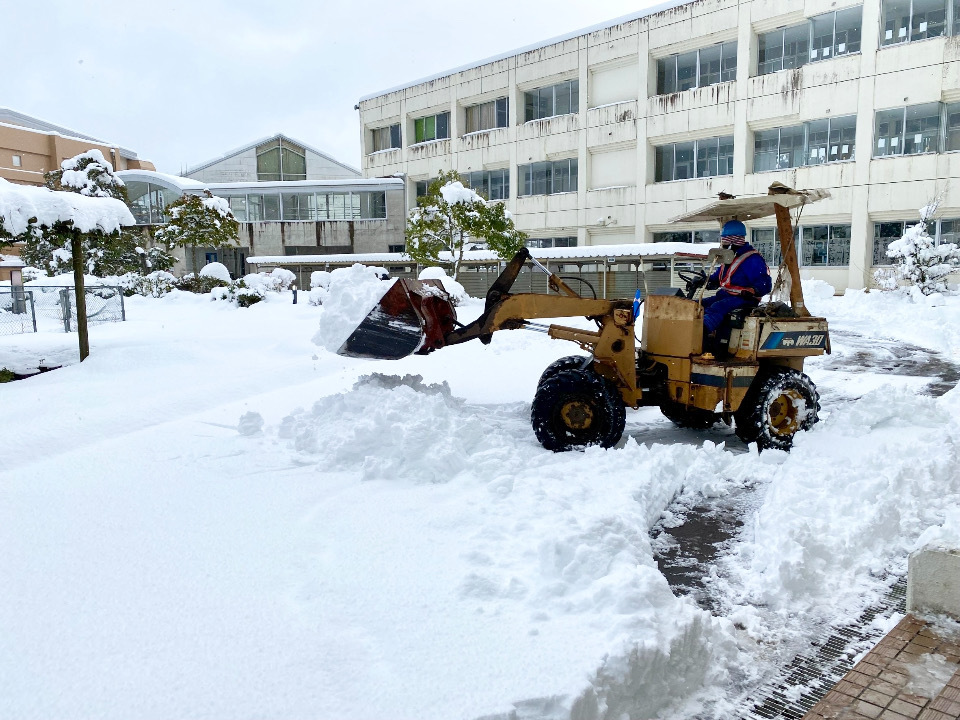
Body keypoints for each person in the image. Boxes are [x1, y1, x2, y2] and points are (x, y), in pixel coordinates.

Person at [700, 220, 772, 337]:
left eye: (725, 240)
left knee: (717, 307)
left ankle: (699, 332)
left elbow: (765, 283)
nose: (723, 243)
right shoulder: (730, 258)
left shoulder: (751, 258)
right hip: (726, 295)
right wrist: (706, 281)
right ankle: (687, 326)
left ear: (733, 241)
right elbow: (719, 278)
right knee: (699, 305)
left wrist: (754, 290)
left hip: (744, 298)